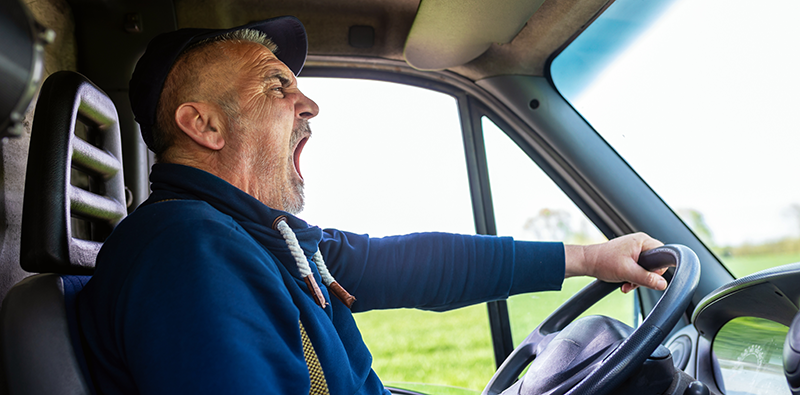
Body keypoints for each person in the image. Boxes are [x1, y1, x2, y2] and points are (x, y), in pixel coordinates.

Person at [77, 16, 668, 395]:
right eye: (276, 85)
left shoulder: (265, 238)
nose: (308, 104)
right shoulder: (189, 254)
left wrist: (593, 258)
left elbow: (416, 263)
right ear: (202, 124)